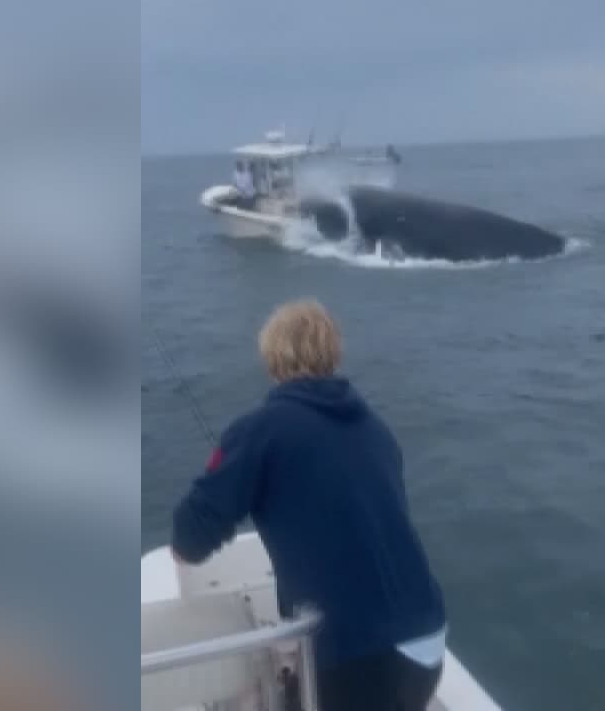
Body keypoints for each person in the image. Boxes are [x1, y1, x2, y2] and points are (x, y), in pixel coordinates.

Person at [171, 299, 446, 710]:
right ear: (332, 352)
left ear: (272, 359)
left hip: (361, 659)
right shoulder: (375, 428)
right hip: (427, 640)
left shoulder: (261, 429)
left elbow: (191, 537)